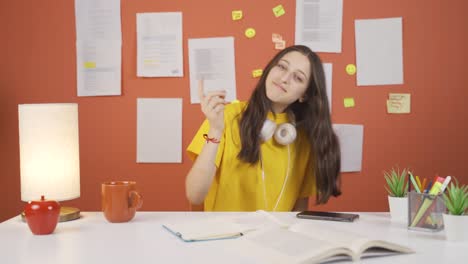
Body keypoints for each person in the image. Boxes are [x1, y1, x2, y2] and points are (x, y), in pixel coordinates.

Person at [185, 45, 341, 211]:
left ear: (305, 94)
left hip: (273, 236)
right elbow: (195, 195)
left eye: (298, 78)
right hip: (224, 233)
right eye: (281, 66)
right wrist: (215, 130)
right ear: (270, 69)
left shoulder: (301, 138)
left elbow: (298, 210)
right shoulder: (225, 116)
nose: (284, 78)